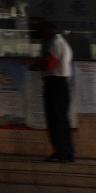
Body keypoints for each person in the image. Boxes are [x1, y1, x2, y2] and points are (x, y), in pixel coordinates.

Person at [30, 19, 74, 163]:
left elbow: (48, 65)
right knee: (62, 120)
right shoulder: (62, 43)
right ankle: (67, 152)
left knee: (55, 120)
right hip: (61, 85)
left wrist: (35, 66)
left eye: (42, 31)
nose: (41, 35)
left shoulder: (55, 43)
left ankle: (61, 153)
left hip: (55, 84)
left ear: (50, 30)